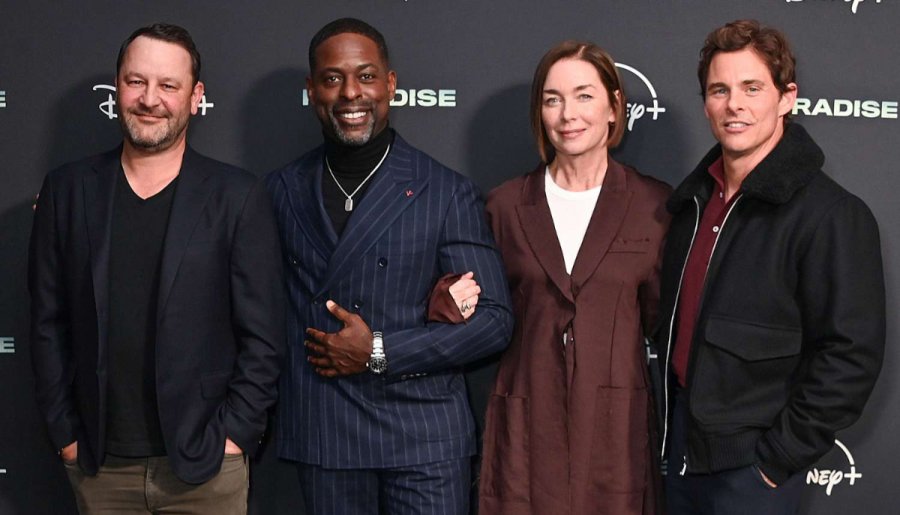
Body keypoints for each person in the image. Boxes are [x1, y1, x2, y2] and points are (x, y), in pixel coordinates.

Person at [29, 23, 285, 514]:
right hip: (100, 468)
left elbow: (264, 334)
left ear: (195, 96)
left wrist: (235, 436)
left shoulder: (236, 196)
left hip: (207, 467)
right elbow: (46, 323)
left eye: (168, 85)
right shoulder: (67, 190)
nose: (150, 99)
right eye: (136, 81)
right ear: (117, 87)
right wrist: (65, 435)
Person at [266, 17, 513, 515]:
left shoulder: (444, 190)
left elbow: (493, 321)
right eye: (333, 79)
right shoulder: (281, 190)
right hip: (326, 434)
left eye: (366, 76)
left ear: (391, 84)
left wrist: (378, 351)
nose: (350, 93)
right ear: (312, 90)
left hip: (423, 439)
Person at [656, 20, 885, 515]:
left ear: (786, 98)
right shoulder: (693, 204)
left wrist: (775, 461)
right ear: (706, 104)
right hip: (679, 455)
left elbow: (851, 355)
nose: (734, 104)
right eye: (720, 90)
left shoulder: (832, 214)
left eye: (752, 88)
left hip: (753, 473)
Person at [474, 40, 672, 514]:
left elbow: (663, 319)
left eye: (584, 95)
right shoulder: (504, 205)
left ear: (614, 107)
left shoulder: (654, 205)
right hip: (525, 421)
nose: (568, 114)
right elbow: (484, 317)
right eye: (553, 99)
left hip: (616, 428)